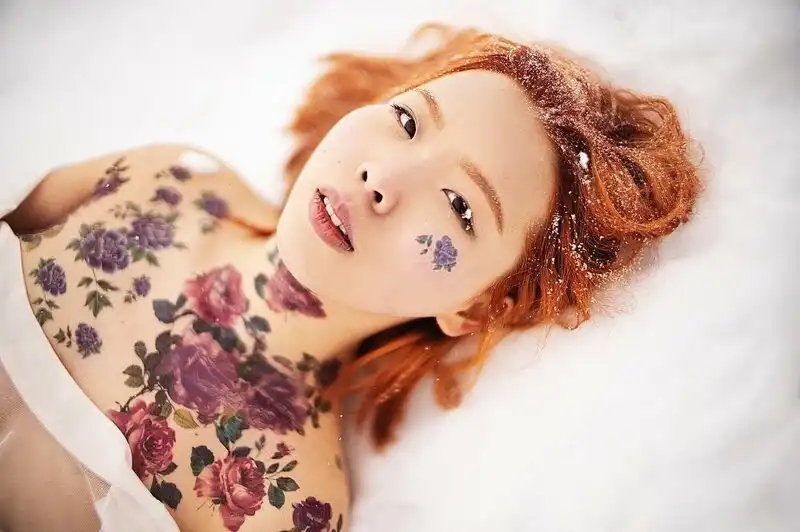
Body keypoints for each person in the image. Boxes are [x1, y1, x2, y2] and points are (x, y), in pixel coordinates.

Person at [0, 23, 701, 532]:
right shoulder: (166, 178)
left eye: (458, 206)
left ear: (476, 308)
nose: (382, 178)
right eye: (408, 120)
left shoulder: (288, 506)